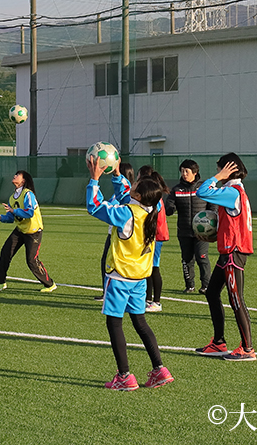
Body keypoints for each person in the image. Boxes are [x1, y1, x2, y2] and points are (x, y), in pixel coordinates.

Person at [86, 155, 174, 391]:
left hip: (120, 277)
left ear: (137, 196)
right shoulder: (150, 210)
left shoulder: (127, 214)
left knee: (114, 324)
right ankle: (159, 369)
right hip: (139, 278)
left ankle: (124, 375)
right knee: (140, 322)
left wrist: (94, 179)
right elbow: (126, 192)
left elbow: (94, 206)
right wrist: (115, 174)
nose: (130, 184)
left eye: (133, 186)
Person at [194, 153, 256, 361]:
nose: (219, 171)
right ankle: (219, 342)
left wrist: (218, 176)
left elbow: (202, 191)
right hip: (228, 251)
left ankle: (247, 349)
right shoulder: (236, 191)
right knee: (212, 293)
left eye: (221, 168)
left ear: (228, 169)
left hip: (234, 253)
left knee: (236, 298)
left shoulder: (231, 191)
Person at [0, 170, 56, 293]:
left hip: (33, 231)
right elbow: (11, 218)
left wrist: (14, 211)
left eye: (17, 175)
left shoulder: (28, 194)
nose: (14, 176)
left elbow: (29, 212)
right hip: (20, 230)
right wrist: (0, 217)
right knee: (5, 253)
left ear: (23, 180)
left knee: (31, 261)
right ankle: (0, 283)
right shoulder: (11, 197)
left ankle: (50, 284)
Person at [164, 160, 212, 294]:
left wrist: (212, 221)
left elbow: (213, 206)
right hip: (184, 231)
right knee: (187, 259)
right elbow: (169, 208)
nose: (184, 174)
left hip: (203, 232)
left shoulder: (203, 188)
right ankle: (189, 285)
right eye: (182, 171)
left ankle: (206, 285)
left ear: (195, 173)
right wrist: (169, 206)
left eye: (187, 171)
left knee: (202, 257)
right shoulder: (177, 189)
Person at [94, 161, 135, 302]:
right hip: (114, 234)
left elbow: (97, 207)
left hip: (119, 236)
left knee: (112, 264)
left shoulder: (128, 198)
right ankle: (107, 292)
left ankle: (110, 293)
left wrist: (94, 180)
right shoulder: (126, 194)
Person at [136, 166, 170, 313]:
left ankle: (156, 301)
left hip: (156, 237)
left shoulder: (155, 199)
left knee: (154, 268)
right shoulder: (154, 198)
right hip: (151, 236)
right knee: (147, 268)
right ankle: (147, 299)